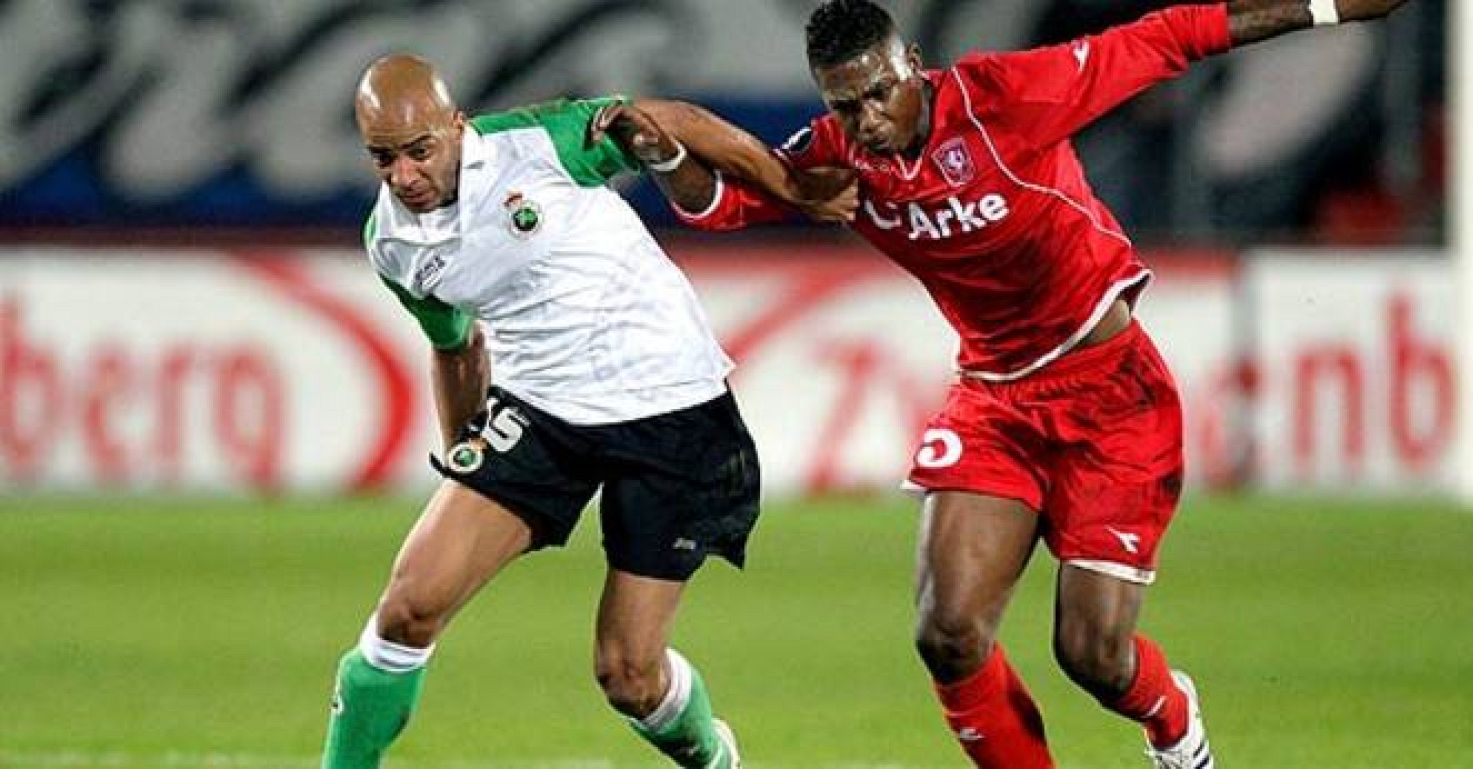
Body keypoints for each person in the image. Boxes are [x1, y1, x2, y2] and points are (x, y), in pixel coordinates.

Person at [593, 1, 1410, 767]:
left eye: (879, 92)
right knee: (947, 632)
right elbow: (719, 205)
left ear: (913, 65)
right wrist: (664, 155)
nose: (868, 118)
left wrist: (1325, 8)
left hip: (1111, 395)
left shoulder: (1007, 98)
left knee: (1092, 655)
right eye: (846, 105)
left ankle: (1174, 722)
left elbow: (1167, 38)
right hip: (995, 398)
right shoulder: (840, 158)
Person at [318, 53, 829, 769]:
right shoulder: (391, 243)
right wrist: (469, 467)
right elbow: (455, 346)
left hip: (671, 408)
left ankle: (715, 758)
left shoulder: (538, 143)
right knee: (408, 608)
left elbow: (673, 120)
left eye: (418, 151)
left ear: (456, 126)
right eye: (383, 158)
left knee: (629, 675)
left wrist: (789, 183)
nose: (404, 176)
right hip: (541, 412)